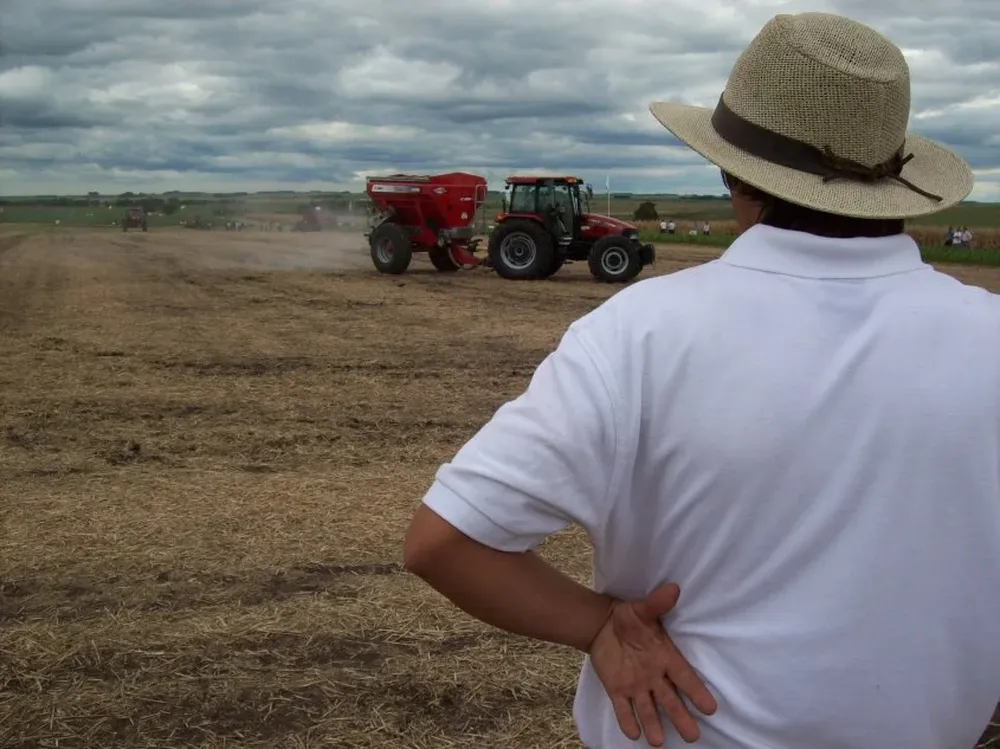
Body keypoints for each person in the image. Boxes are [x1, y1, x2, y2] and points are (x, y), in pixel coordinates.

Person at [403, 12, 1000, 749]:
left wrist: (597, 627)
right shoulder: (989, 338)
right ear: (899, 178)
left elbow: (443, 541)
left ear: (731, 170)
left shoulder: (640, 333)